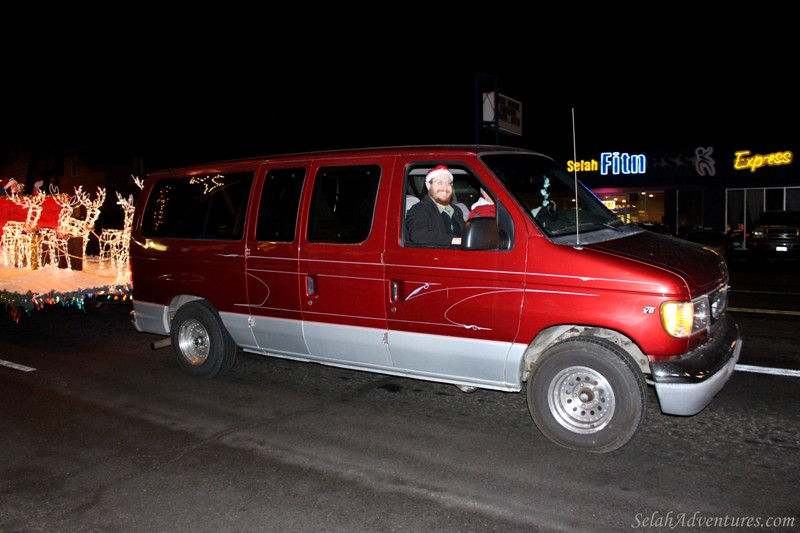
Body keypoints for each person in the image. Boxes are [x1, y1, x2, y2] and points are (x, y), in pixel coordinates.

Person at [406, 165, 464, 245]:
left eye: (448, 183)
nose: (445, 187)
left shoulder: (457, 211)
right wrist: (455, 241)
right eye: (439, 182)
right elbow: (419, 235)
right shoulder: (419, 210)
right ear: (428, 185)